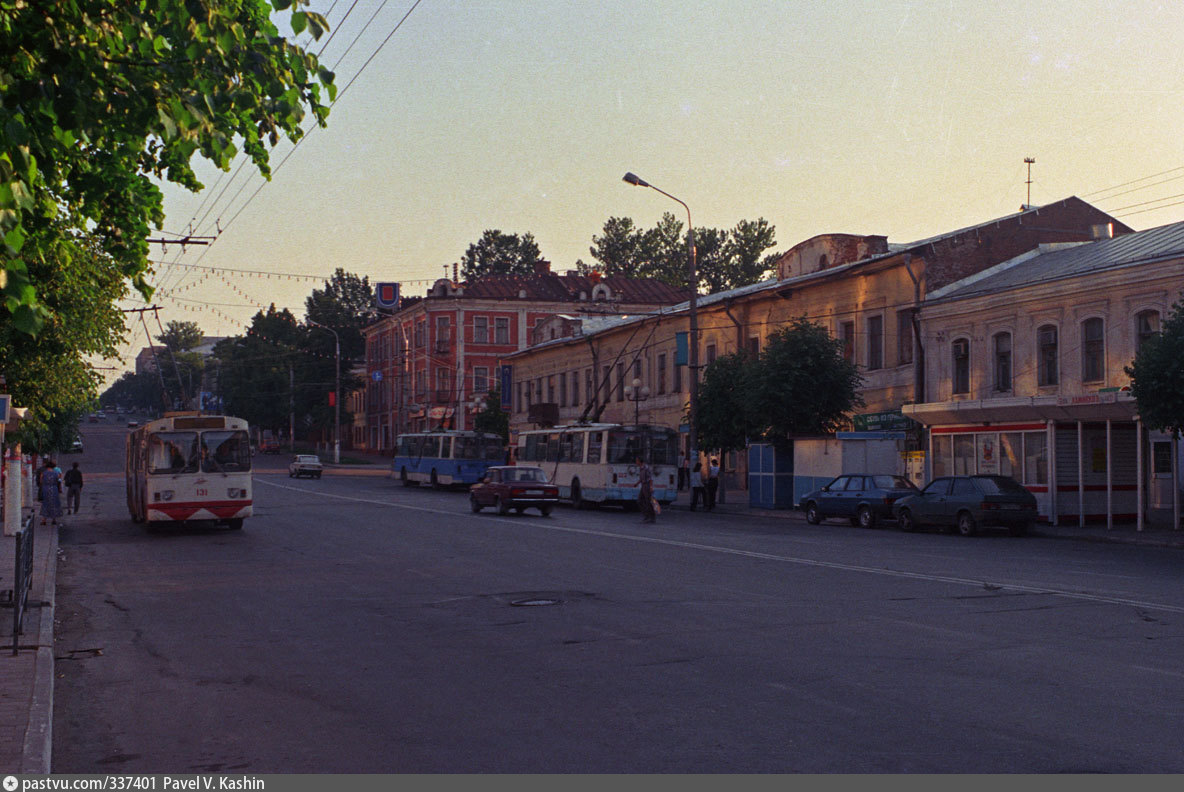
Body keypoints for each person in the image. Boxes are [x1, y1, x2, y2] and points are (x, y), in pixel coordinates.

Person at [39, 459, 63, 525]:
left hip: (46, 489)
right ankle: (54, 519)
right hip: (54, 489)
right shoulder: (56, 473)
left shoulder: (43, 473)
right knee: (54, 503)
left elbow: (41, 481)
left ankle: (44, 520)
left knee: (45, 503)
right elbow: (59, 480)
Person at [636, 455, 656, 524]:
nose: (636, 462)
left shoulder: (646, 468)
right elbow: (641, 478)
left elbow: (650, 478)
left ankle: (651, 517)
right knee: (640, 501)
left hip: (647, 486)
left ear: (639, 461)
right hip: (643, 486)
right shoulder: (641, 468)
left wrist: (651, 487)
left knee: (648, 502)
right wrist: (637, 483)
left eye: (637, 461)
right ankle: (646, 515)